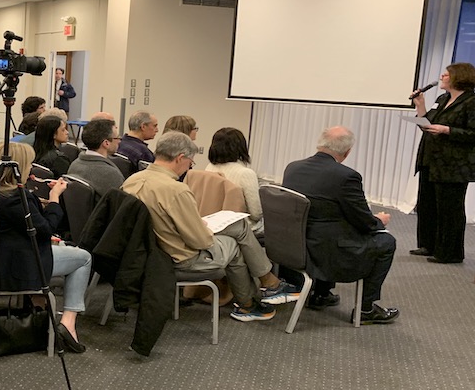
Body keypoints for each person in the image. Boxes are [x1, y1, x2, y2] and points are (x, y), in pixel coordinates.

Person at [122, 132, 297, 322]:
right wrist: (203, 227)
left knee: (237, 228)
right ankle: (252, 300)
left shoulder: (132, 181)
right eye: (190, 162)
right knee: (235, 245)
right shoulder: (175, 190)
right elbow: (200, 240)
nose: (190, 167)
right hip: (181, 257)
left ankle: (262, 289)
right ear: (180, 158)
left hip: (148, 251)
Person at [0, 142, 92, 353]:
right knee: (83, 257)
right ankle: (68, 323)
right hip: (14, 268)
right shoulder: (17, 199)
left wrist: (36, 201)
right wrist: (54, 199)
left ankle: (39, 307)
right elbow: (45, 229)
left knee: (62, 246)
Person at [283, 126, 400, 323]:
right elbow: (364, 222)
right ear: (347, 153)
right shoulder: (347, 177)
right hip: (326, 252)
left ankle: (321, 294)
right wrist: (379, 220)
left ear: (319, 144)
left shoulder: (293, 167)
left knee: (330, 227)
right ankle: (366, 308)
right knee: (386, 241)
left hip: (294, 245)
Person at [411, 63, 475, 264]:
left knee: (449, 209)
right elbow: (428, 125)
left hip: (455, 165)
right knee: (427, 204)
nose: (441, 76)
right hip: (431, 160)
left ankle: (449, 252)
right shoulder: (442, 99)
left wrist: (448, 130)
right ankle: (428, 244)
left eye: (446, 74)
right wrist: (420, 105)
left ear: (458, 77)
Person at [205, 127, 263, 234]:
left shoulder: (209, 167)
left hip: (213, 223)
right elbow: (256, 214)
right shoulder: (245, 173)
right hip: (239, 227)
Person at [67, 119, 124, 198]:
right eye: (117, 138)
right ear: (106, 143)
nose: (119, 141)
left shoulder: (74, 165)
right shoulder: (111, 174)